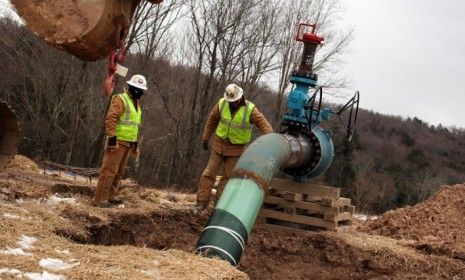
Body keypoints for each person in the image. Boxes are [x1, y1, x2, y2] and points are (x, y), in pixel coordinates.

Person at [195, 84, 273, 210]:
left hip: (236, 150)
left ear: (240, 97)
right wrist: (205, 137)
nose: (233, 103)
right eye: (231, 101)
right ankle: (201, 203)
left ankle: (219, 206)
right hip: (218, 145)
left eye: (235, 101)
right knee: (209, 173)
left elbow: (263, 123)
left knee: (227, 178)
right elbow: (212, 120)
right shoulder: (221, 104)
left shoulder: (250, 109)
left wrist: (269, 138)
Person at [92, 74, 147, 207]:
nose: (140, 92)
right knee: (109, 171)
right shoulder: (121, 99)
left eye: (141, 90)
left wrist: (134, 143)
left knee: (118, 172)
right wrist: (112, 137)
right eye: (138, 89)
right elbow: (110, 119)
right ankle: (100, 199)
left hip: (128, 143)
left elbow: (134, 127)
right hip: (117, 142)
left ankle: (110, 196)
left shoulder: (136, 105)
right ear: (132, 88)